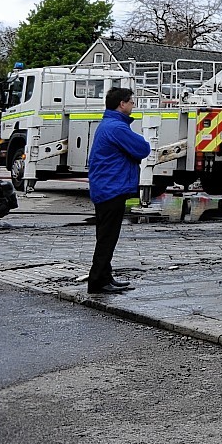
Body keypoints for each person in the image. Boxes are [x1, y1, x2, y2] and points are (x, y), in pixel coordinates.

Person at [86, 87, 151, 294]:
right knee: (107, 238)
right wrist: (140, 143)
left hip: (107, 187)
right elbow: (143, 148)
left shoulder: (110, 124)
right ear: (121, 104)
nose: (133, 105)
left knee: (106, 236)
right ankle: (97, 281)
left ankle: (105, 276)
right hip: (111, 188)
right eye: (131, 102)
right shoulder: (116, 128)